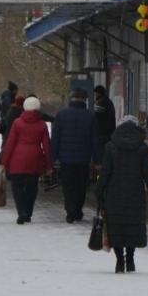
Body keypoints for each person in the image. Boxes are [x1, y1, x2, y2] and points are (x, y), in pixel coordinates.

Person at [96, 115, 148, 273]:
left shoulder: (110, 146)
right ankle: (130, 260)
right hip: (135, 192)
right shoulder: (142, 147)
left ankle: (119, 261)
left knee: (116, 226)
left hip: (114, 193)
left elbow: (105, 172)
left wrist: (99, 192)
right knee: (132, 226)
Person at [1, 96, 51, 223]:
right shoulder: (42, 124)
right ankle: (28, 212)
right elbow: (46, 146)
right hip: (35, 158)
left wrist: (4, 161)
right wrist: (49, 165)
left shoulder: (17, 123)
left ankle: (21, 211)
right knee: (31, 187)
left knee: (17, 186)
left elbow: (10, 143)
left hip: (17, 158)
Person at [51, 88, 97, 222]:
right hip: (83, 158)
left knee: (68, 185)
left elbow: (56, 138)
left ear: (71, 99)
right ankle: (77, 210)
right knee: (81, 186)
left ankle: (70, 211)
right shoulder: (91, 116)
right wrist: (96, 159)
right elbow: (95, 140)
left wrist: (53, 157)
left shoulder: (61, 115)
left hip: (66, 159)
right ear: (85, 100)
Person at [92, 85, 116, 165]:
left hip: (101, 134)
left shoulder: (100, 103)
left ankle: (101, 174)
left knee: (100, 157)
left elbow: (96, 118)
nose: (95, 95)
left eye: (95, 93)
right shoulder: (109, 102)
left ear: (98, 93)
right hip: (109, 133)